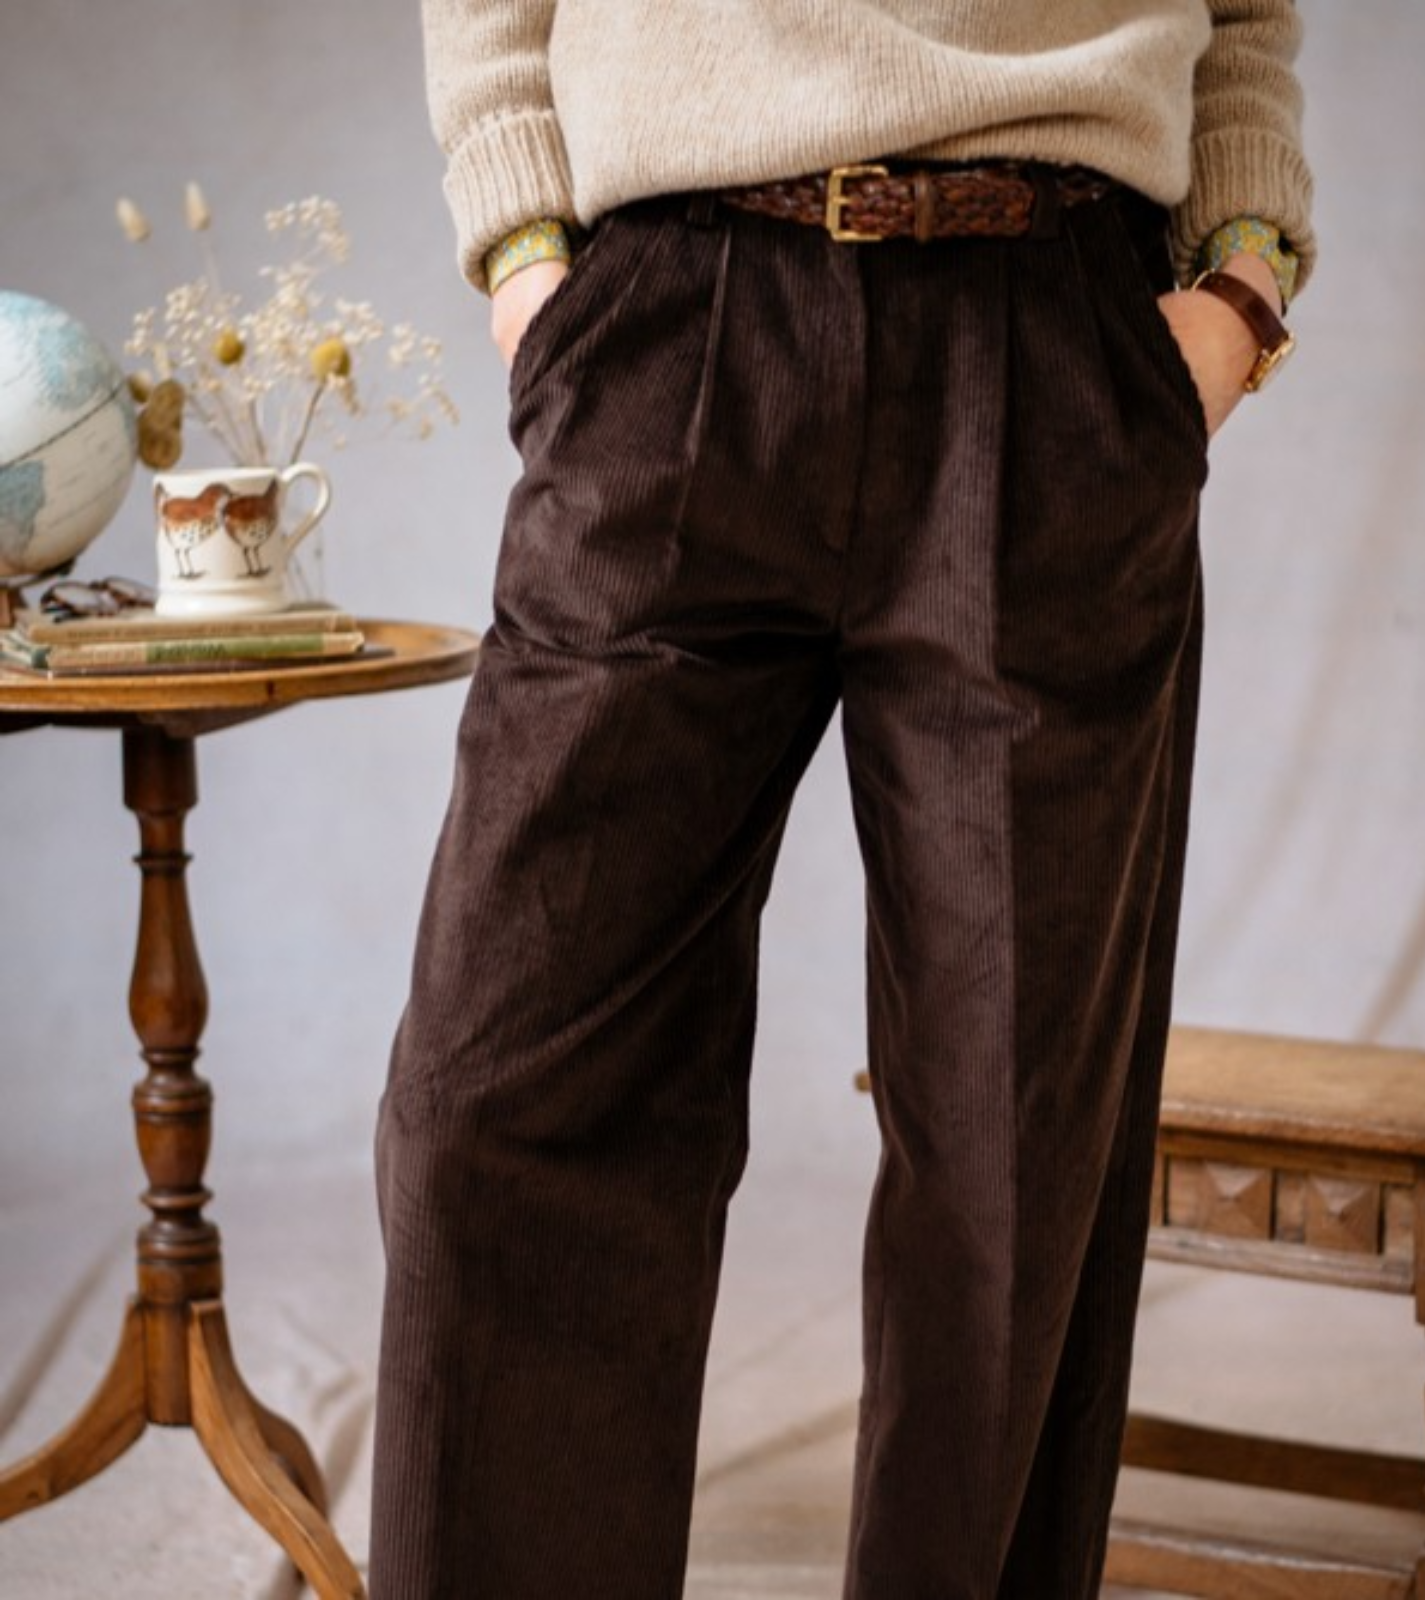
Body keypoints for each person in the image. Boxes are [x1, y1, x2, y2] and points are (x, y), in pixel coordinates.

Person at [371, 4, 1314, 1596]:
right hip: (673, 321)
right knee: (497, 1100)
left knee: (1012, 1142)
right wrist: (528, 250)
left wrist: (1240, 281)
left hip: (1054, 320)